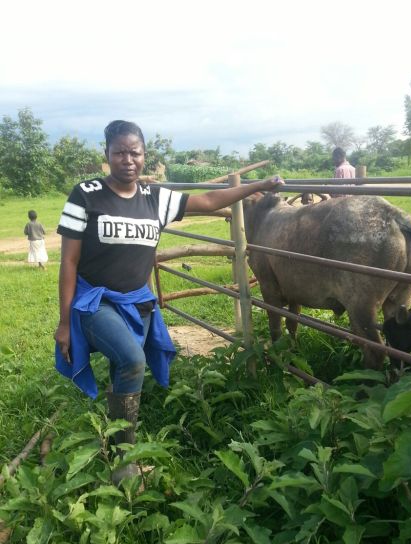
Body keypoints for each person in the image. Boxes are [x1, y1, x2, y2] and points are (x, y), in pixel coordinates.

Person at [54, 119, 283, 485]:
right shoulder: (85, 194)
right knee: (132, 359)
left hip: (138, 300)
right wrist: (64, 322)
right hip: (94, 299)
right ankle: (126, 463)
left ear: (144, 156)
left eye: (135, 152)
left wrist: (260, 185)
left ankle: (117, 449)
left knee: (122, 368)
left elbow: (208, 201)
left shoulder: (155, 198)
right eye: (119, 152)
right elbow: (68, 260)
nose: (128, 160)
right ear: (107, 155)